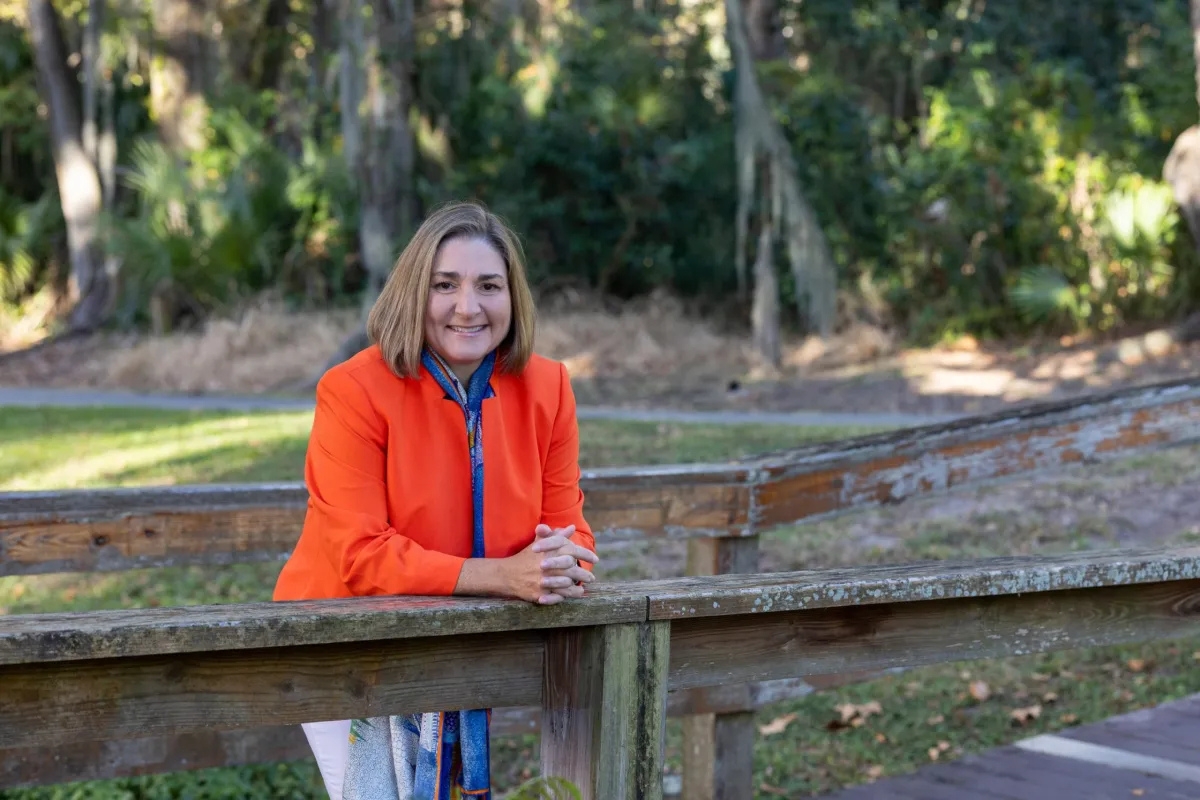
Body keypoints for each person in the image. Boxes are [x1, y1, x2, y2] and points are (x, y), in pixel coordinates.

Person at [273, 201, 599, 800]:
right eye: (444, 285)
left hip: (469, 646)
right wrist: (505, 575)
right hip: (346, 650)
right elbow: (362, 556)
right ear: (413, 292)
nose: (468, 306)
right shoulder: (353, 390)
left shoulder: (548, 387)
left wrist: (562, 561)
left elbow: (570, 531)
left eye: (489, 286)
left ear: (513, 297)